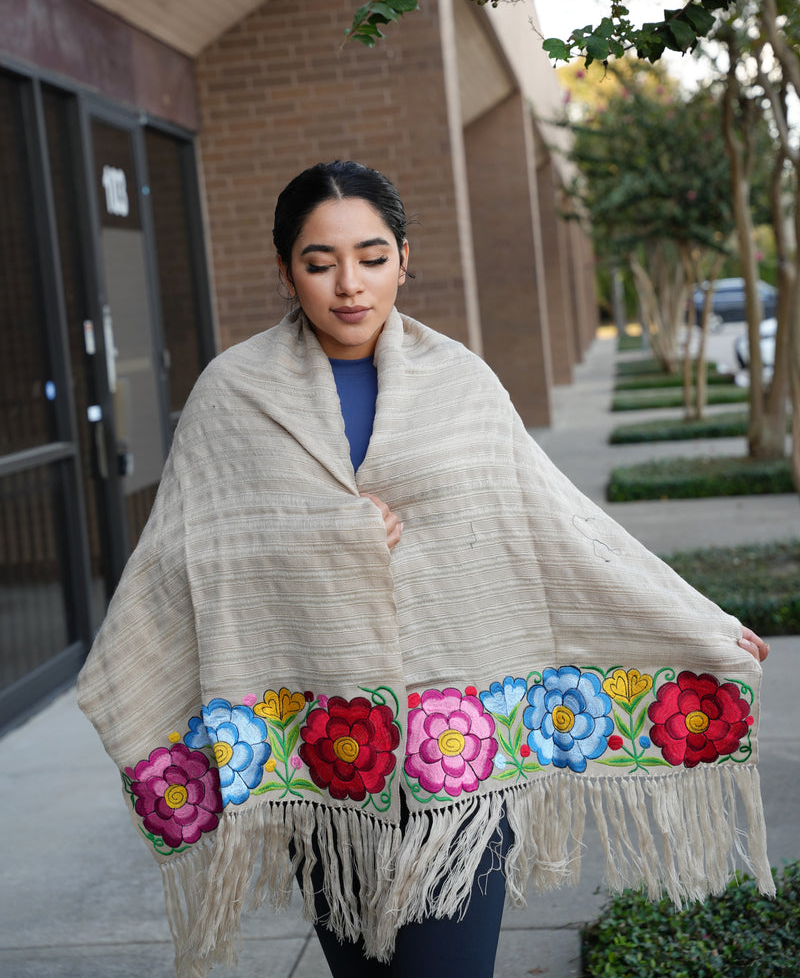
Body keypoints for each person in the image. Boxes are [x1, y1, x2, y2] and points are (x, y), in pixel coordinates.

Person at [78, 160, 771, 978]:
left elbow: (555, 523)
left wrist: (698, 622)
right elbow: (189, 556)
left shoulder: (462, 384)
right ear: (284, 270)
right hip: (322, 758)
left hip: (456, 762)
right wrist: (329, 533)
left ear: (405, 258)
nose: (349, 285)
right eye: (318, 260)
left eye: (372, 257)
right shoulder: (231, 395)